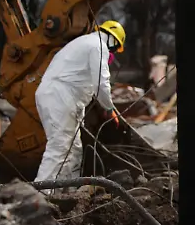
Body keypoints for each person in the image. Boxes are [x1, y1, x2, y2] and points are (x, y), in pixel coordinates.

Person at [33, 19, 126, 183]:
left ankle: (67, 191)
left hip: (59, 96)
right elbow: (100, 83)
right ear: (113, 40)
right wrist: (110, 109)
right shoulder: (99, 46)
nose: (114, 54)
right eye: (115, 49)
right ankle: (41, 195)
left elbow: (81, 83)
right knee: (60, 147)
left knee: (73, 149)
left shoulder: (85, 42)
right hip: (59, 96)